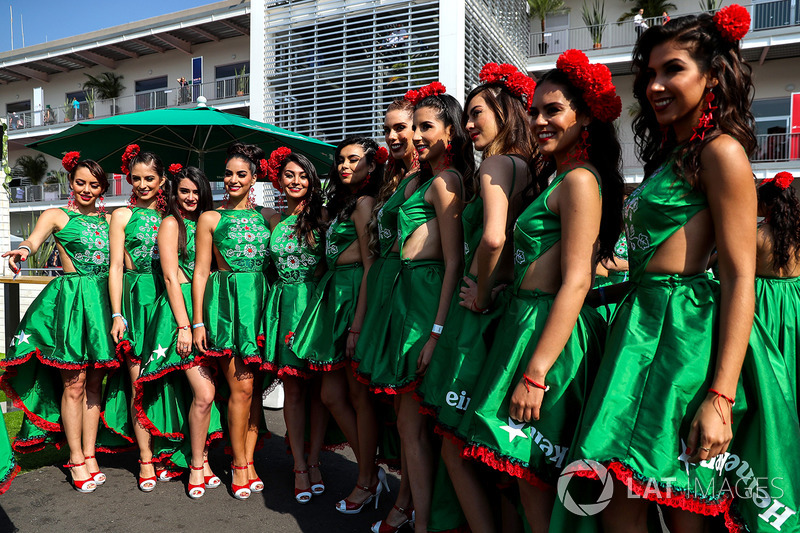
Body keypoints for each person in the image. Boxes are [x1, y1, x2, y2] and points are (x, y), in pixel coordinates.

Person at [561, 8, 800, 532]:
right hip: (638, 331)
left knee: (679, 506)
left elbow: (739, 277)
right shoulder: (672, 157)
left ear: (713, 74)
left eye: (673, 70)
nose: (655, 85)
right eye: (649, 73)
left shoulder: (723, 153)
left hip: (684, 342)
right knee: (615, 502)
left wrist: (720, 395)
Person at [452, 51, 622, 532]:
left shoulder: (581, 181)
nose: (541, 120)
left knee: (537, 473)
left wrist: (536, 373)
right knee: (524, 474)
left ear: (583, 115)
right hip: (523, 323)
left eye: (555, 110)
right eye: (536, 109)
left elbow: (577, 280)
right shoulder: (560, 175)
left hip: (547, 336)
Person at [414, 63, 537, 533]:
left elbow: (491, 239)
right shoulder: (528, 166)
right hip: (508, 311)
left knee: (453, 441)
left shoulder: (496, 165)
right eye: (466, 116)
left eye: (477, 114)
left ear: (505, 113)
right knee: (494, 449)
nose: (468, 125)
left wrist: (482, 292)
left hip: (477, 318)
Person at [0, 152, 114, 493]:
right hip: (73, 306)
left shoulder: (110, 223)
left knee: (95, 384)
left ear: (102, 188)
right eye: (80, 182)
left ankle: (91, 454)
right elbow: (33, 240)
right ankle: (76, 456)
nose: (86, 189)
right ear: (71, 182)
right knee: (73, 384)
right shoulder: (56, 215)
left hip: (104, 305)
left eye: (94, 185)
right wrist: (23, 251)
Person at [290, 136, 387, 513]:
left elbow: (370, 265)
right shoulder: (343, 204)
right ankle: (371, 471)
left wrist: (357, 325)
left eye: (353, 159)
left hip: (352, 300)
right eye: (341, 160)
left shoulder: (364, 204)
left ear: (371, 165)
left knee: (358, 397)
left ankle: (366, 479)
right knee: (332, 395)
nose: (345, 165)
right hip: (333, 298)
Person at [351, 97, 420, 532]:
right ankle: (405, 497)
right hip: (385, 294)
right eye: (388, 128)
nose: (393, 136)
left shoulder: (433, 179)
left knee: (412, 414)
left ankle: (409, 502)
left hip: (412, 295)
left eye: (402, 128)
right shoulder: (394, 181)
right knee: (398, 410)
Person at [134, 164, 221, 499]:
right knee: (204, 392)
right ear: (173, 192)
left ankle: (201, 460)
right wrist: (184, 326)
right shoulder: (170, 223)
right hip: (178, 314)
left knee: (198, 393)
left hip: (205, 310)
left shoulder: (206, 223)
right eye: (184, 190)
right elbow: (171, 277)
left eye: (196, 191)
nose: (190, 197)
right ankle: (197, 465)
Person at [192, 142, 271, 500]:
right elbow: (201, 272)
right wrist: (197, 321)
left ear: (254, 178)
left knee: (253, 389)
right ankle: (239, 463)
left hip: (262, 307)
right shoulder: (210, 218)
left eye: (241, 173)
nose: (233, 180)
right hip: (226, 308)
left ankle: (249, 461)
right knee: (239, 387)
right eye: (228, 173)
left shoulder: (270, 217)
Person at [259, 148, 328, 504]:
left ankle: (314, 459)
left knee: (318, 392)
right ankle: (299, 464)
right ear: (279, 180)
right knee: (294, 390)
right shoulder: (272, 220)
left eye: (302, 175)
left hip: (316, 307)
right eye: (289, 175)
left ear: (312, 181)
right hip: (285, 307)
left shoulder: (325, 218)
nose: (296, 181)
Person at [104, 146, 170, 490]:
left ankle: (166, 452)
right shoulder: (121, 215)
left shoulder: (170, 217)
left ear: (162, 180)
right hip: (134, 300)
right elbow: (115, 266)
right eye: (136, 178)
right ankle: (145, 458)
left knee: (165, 378)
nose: (142, 184)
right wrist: (117, 313)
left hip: (166, 300)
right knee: (138, 380)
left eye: (150, 178)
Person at [755, 171, 800, 412]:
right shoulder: (798, 233)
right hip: (795, 300)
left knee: (769, 363)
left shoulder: (757, 236)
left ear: (766, 203)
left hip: (765, 302)